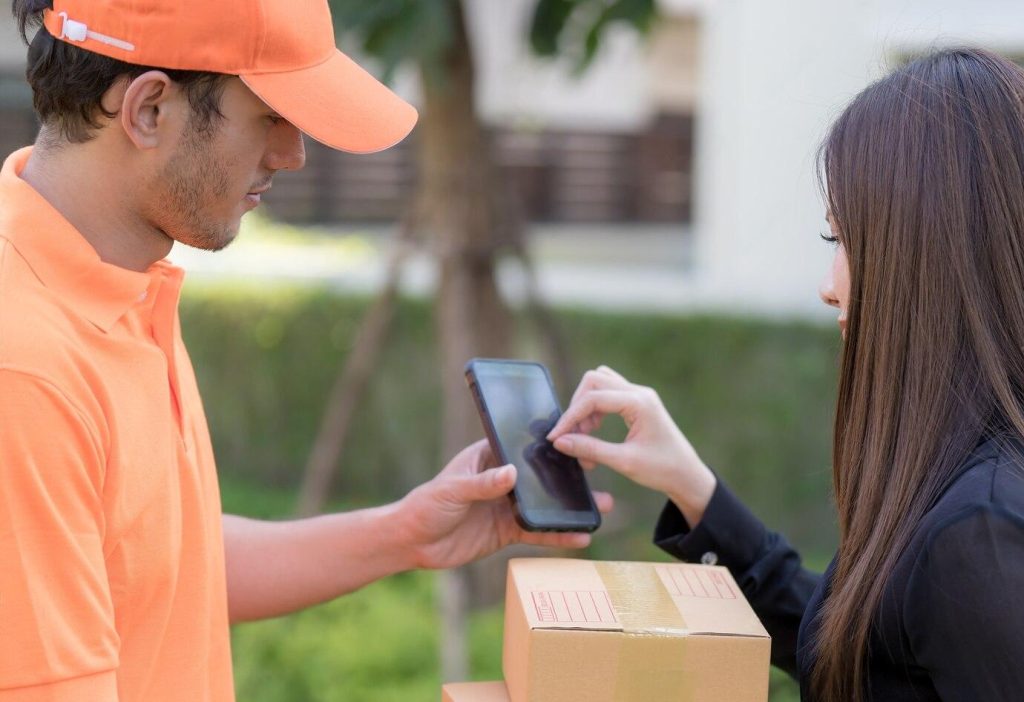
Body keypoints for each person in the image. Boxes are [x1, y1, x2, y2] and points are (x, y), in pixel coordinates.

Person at [0, 1, 613, 701]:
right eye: (270, 115)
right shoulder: (25, 370)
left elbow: (160, 564)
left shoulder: (119, 287)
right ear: (148, 111)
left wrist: (407, 531)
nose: (292, 155)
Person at [549, 47, 1024, 702]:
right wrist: (694, 490)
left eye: (844, 241)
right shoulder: (970, 494)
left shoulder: (980, 529)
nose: (831, 287)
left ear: (929, 252)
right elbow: (860, 658)